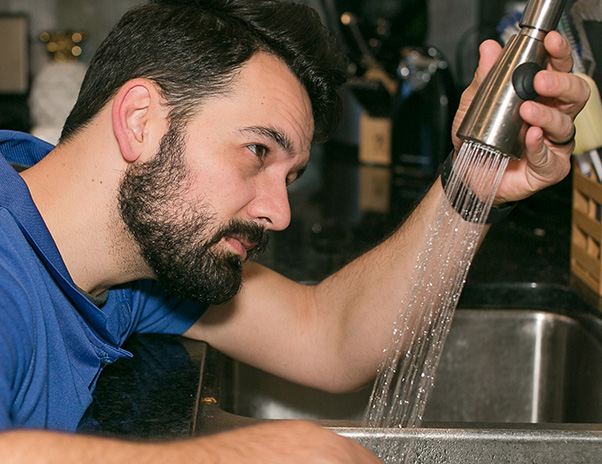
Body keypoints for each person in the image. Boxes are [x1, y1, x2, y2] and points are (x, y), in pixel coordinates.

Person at [0, 0, 589, 462]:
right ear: (140, 121)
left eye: (291, 175)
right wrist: (237, 457)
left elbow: (326, 335)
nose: (279, 213)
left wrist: (474, 183)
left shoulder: (122, 261)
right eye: (257, 150)